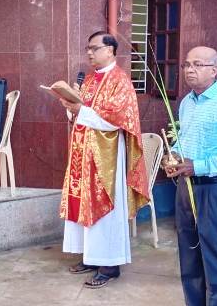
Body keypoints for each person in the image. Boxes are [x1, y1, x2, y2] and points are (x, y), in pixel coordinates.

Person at [59, 31, 150, 288]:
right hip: (82, 154)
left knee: (105, 208)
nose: (89, 53)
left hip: (106, 158)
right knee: (81, 203)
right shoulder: (88, 79)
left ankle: (109, 265)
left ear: (110, 50)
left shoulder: (120, 81)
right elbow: (81, 114)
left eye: (94, 48)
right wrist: (72, 108)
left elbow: (118, 119)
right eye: (88, 48)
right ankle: (90, 255)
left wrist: (82, 111)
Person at [162, 46, 217, 305]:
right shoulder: (187, 102)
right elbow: (183, 142)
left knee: (215, 253)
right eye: (187, 64)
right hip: (184, 185)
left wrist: (197, 166)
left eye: (198, 65)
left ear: (214, 70)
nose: (190, 69)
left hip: (212, 187)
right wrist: (174, 157)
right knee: (189, 249)